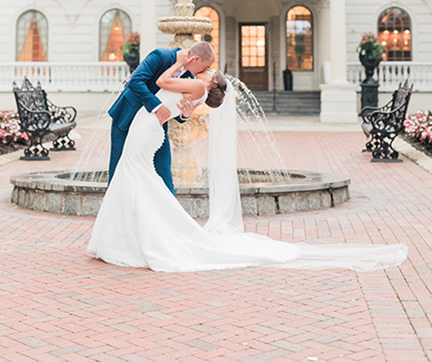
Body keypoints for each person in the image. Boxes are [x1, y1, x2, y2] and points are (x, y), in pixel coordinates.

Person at [88, 54, 407, 273]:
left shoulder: (196, 84)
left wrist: (178, 67)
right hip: (149, 129)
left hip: (148, 129)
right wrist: (181, 110)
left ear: (211, 83)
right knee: (139, 178)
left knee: (138, 177)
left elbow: (160, 84)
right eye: (209, 68)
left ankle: (144, 236)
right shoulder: (198, 87)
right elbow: (178, 106)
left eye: (210, 73)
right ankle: (129, 234)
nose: (206, 72)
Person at [107, 41, 215, 194]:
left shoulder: (190, 77)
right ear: (196, 59)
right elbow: (136, 81)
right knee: (119, 169)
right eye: (206, 66)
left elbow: (173, 108)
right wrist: (157, 107)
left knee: (164, 171)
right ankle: (116, 213)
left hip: (156, 127)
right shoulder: (161, 55)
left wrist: (185, 114)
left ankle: (169, 215)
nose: (205, 71)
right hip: (126, 118)